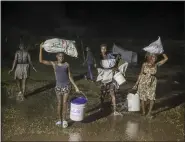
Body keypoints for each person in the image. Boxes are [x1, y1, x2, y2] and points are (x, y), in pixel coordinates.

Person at [39, 42, 80, 128]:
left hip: (67, 86)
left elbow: (70, 76)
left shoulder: (66, 64)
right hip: (58, 87)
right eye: (59, 56)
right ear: (56, 57)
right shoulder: (54, 64)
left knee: (65, 103)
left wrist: (76, 86)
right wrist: (41, 49)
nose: (61, 57)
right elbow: (41, 61)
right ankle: (59, 119)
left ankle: (64, 120)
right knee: (59, 104)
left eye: (62, 56)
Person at [133, 52, 168, 118]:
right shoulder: (144, 64)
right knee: (143, 98)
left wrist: (162, 52)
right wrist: (136, 84)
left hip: (152, 82)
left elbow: (166, 58)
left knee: (152, 98)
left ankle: (149, 113)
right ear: (149, 58)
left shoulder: (157, 65)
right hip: (143, 82)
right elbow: (140, 74)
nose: (154, 59)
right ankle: (143, 112)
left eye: (155, 57)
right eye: (152, 57)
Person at [99, 44, 122, 115]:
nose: (104, 50)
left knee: (113, 94)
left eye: (105, 49)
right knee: (103, 94)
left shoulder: (110, 56)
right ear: (100, 50)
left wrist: (118, 59)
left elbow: (114, 63)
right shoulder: (99, 57)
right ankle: (102, 106)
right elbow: (98, 68)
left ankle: (115, 111)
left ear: (106, 49)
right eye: (102, 49)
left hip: (111, 77)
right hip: (103, 78)